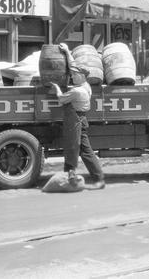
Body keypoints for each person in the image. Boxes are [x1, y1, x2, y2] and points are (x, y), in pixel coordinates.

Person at [50, 44, 105, 190]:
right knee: (85, 151)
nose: (72, 77)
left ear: (81, 76)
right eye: (72, 75)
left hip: (75, 122)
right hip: (81, 120)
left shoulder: (78, 91)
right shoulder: (86, 85)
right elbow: (74, 65)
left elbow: (61, 99)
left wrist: (56, 87)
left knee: (72, 148)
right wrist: (67, 51)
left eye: (74, 75)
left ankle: (70, 177)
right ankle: (98, 178)